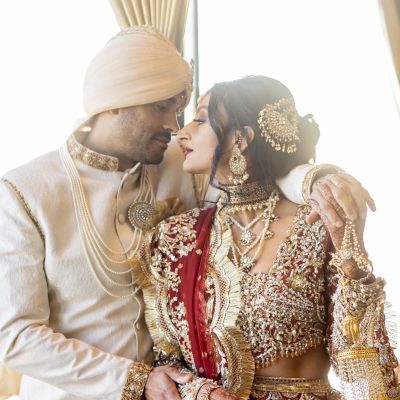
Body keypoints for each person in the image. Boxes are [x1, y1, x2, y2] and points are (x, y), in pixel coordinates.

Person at [0, 26, 375, 400]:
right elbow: (14, 335)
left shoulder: (179, 163)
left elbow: (256, 173)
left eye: (182, 112)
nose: (174, 127)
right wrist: (134, 380)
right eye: (162, 108)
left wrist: (315, 180)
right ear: (115, 100)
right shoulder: (25, 192)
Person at [135, 75, 399, 400]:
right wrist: (201, 392)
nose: (183, 131)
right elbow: (169, 363)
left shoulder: (315, 223)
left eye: (201, 119)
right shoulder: (176, 237)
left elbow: (358, 360)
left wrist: (353, 259)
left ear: (241, 139)